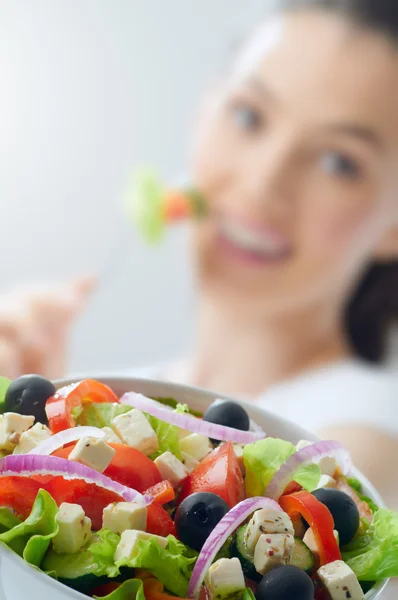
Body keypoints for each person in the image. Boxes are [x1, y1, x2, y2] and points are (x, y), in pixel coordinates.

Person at [1, 0, 397, 543]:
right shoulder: (117, 391)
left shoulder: (365, 439)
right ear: (201, 114)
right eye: (249, 115)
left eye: (339, 162)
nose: (263, 182)